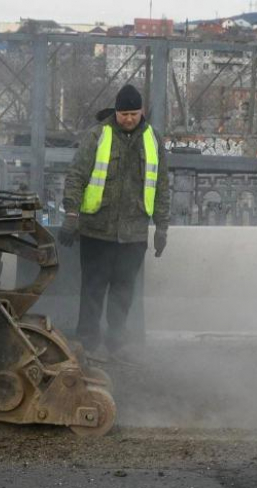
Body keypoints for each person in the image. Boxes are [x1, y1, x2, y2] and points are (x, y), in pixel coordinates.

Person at [59, 84, 170, 361]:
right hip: (97, 230)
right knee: (93, 289)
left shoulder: (154, 139)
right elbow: (76, 176)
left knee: (123, 290)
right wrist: (72, 214)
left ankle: (116, 342)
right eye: (124, 114)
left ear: (142, 112)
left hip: (133, 234)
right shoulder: (98, 135)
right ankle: (87, 342)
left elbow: (162, 187)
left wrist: (162, 227)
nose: (129, 119)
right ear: (116, 112)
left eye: (133, 114)